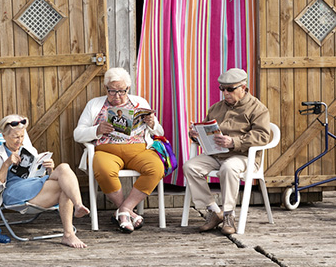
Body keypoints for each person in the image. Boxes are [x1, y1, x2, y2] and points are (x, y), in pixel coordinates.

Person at [73, 67, 164, 233]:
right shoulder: (94, 104)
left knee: (156, 168)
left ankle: (124, 210)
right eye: (112, 91)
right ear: (106, 88)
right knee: (102, 168)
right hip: (107, 151)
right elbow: (77, 134)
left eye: (121, 91)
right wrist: (97, 130)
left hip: (139, 150)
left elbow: (160, 133)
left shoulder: (140, 102)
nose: (117, 96)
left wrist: (152, 124)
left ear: (128, 88)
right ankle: (127, 213)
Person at [182, 68, 270, 235]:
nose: (225, 93)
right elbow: (207, 132)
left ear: (244, 88)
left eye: (230, 89)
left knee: (228, 168)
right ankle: (215, 211)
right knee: (190, 166)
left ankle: (229, 215)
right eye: (222, 88)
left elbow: (263, 136)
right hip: (217, 154)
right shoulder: (216, 108)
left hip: (244, 156)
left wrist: (234, 142)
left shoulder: (258, 109)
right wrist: (196, 134)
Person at [0, 114, 90, 248]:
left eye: (21, 137)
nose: (19, 141)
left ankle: (78, 206)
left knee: (63, 168)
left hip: (33, 186)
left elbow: (37, 176)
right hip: (13, 192)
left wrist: (49, 170)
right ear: (4, 136)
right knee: (63, 186)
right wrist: (6, 164)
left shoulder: (29, 151)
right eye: (15, 137)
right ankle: (69, 234)